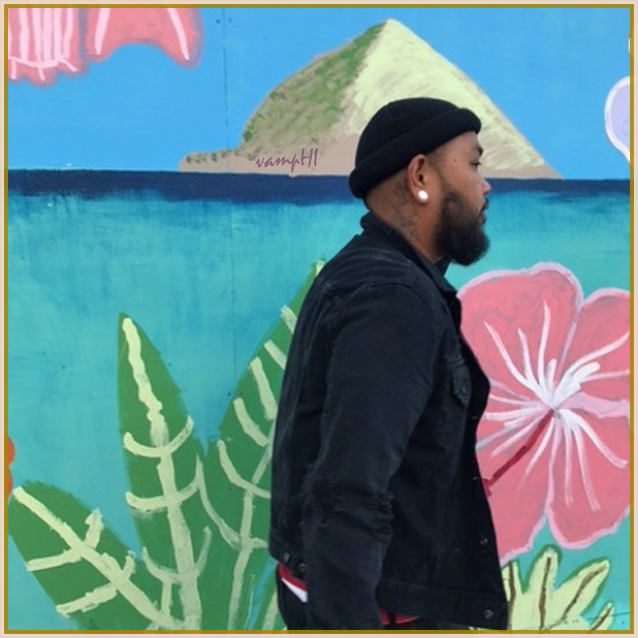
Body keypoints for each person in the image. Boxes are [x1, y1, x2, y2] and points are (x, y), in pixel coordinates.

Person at [268, 97, 509, 630]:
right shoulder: (393, 299)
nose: (485, 185)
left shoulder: (366, 274)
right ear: (421, 175)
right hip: (382, 612)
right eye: (474, 164)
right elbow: (347, 489)